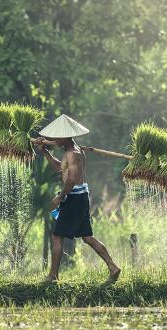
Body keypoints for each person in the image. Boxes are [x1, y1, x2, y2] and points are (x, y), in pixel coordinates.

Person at [35, 114, 121, 283]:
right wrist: (45, 151)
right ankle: (113, 267)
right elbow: (59, 168)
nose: (54, 139)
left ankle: (53, 276)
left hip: (74, 198)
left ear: (66, 136)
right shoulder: (70, 151)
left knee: (57, 236)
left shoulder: (74, 153)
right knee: (87, 237)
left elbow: (72, 180)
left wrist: (59, 198)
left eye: (58, 136)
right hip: (79, 197)